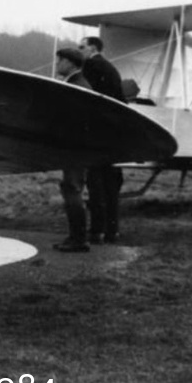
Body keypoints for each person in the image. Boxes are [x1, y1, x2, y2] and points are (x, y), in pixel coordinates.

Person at [79, 36, 126, 245]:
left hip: (97, 133)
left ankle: (96, 231)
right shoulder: (110, 68)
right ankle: (112, 231)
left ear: (92, 48)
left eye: (81, 47)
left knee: (96, 183)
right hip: (114, 133)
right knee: (111, 184)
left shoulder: (90, 66)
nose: (79, 51)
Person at [53, 47, 93, 253]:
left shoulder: (77, 86)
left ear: (70, 63)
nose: (57, 64)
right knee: (71, 189)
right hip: (77, 147)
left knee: (72, 190)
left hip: (75, 148)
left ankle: (78, 239)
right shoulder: (77, 83)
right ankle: (76, 237)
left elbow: (73, 120)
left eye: (60, 60)